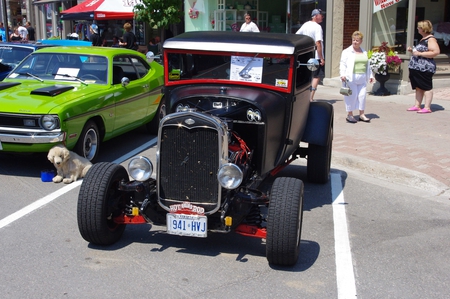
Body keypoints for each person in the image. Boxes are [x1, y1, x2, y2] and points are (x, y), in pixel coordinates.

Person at [339, 31, 375, 123]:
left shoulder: (364, 52)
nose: (355, 42)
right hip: (351, 77)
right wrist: (342, 74)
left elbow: (368, 65)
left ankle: (362, 114)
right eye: (353, 40)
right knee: (351, 96)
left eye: (357, 40)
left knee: (362, 96)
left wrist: (370, 75)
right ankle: (350, 115)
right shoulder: (346, 52)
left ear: (361, 41)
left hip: (362, 77)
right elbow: (342, 64)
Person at [406, 20, 440, 114]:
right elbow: (420, 51)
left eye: (419, 27)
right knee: (418, 87)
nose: (417, 29)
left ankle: (427, 107)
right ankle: (417, 105)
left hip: (425, 67)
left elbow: (435, 52)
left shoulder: (431, 39)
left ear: (423, 29)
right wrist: (413, 51)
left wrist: (419, 53)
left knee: (426, 87)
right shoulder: (423, 39)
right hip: (416, 67)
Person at [296, 8, 325, 101]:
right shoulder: (317, 27)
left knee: (307, 76)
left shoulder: (305, 25)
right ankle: (310, 97)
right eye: (321, 15)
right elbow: (318, 43)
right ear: (316, 16)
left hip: (306, 55)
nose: (323, 17)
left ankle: (303, 97)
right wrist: (321, 58)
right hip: (316, 57)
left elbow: (297, 36)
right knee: (316, 77)